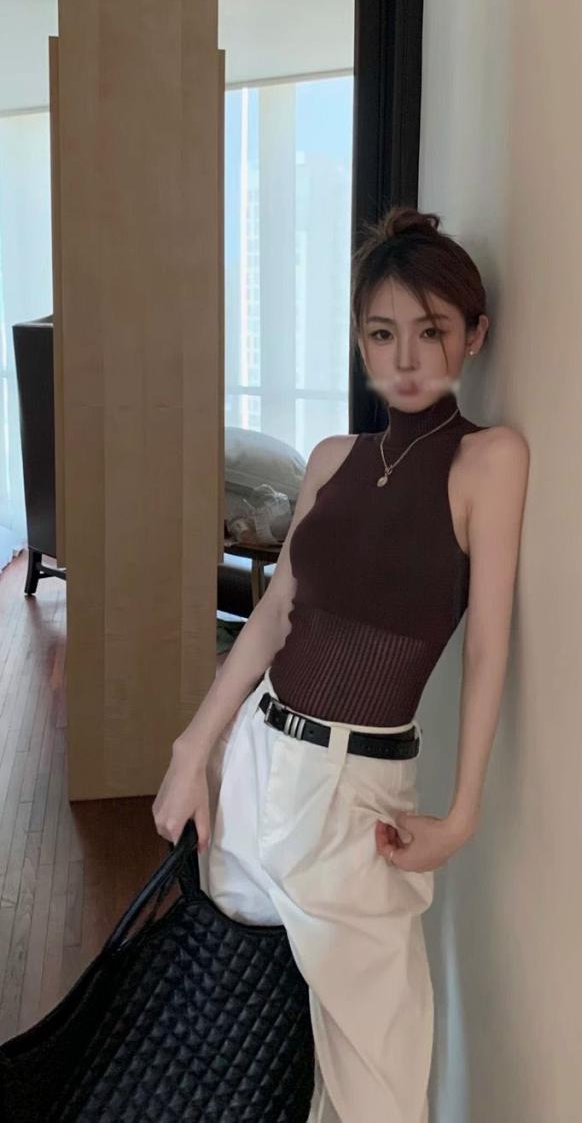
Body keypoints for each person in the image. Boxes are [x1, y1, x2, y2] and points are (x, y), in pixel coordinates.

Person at [152, 206, 530, 1123]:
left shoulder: (489, 460)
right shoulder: (333, 459)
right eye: (383, 333)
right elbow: (273, 615)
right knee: (236, 1031)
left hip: (358, 800)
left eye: (432, 331)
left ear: (474, 336)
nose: (407, 358)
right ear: (361, 342)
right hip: (257, 761)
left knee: (376, 1082)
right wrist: (192, 751)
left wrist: (463, 814)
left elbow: (489, 644)